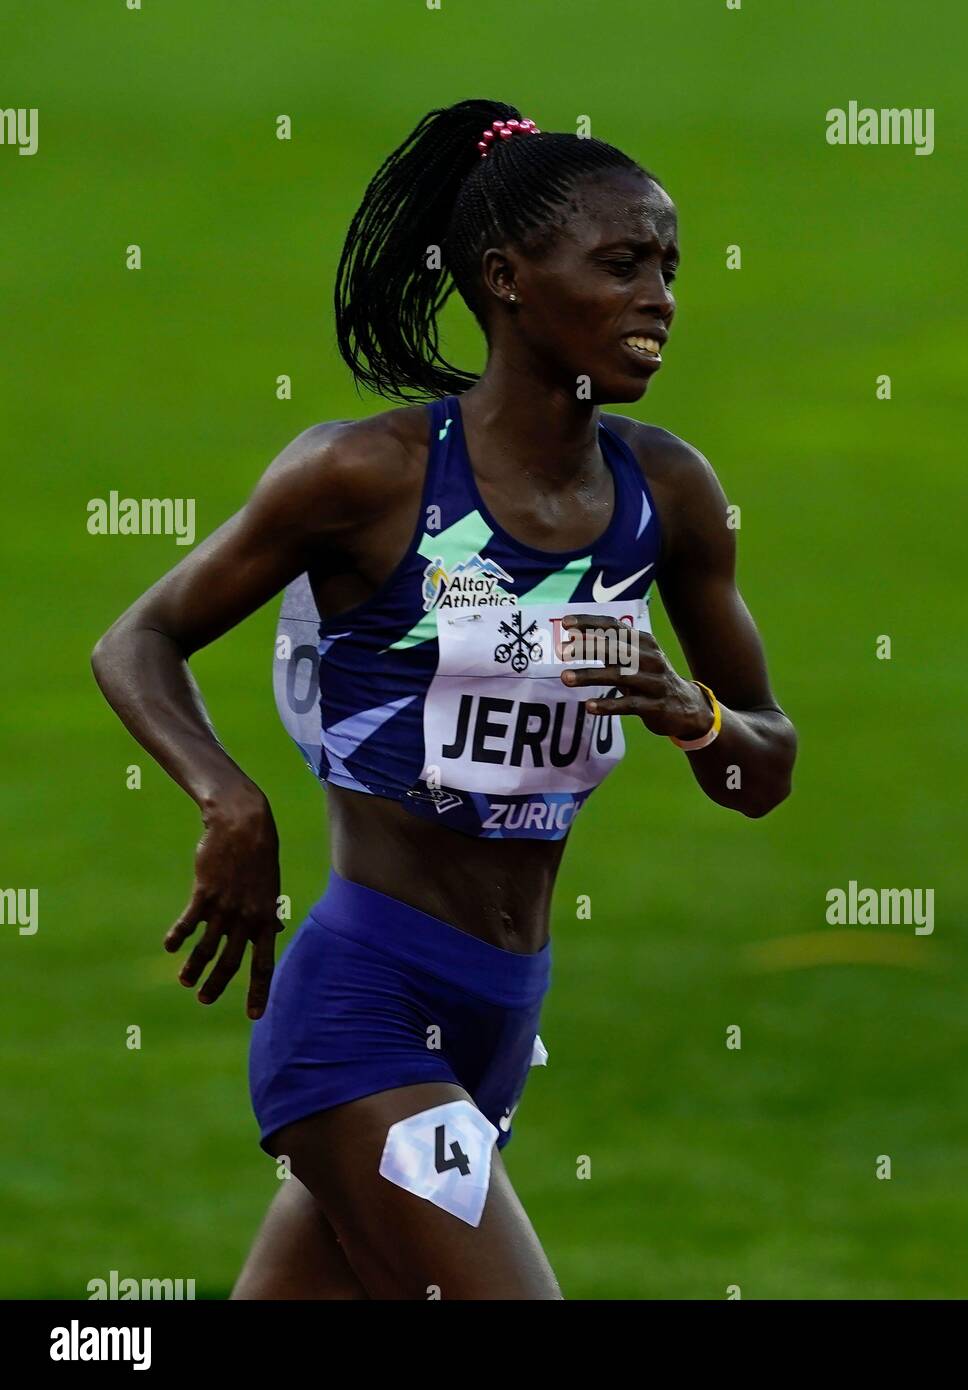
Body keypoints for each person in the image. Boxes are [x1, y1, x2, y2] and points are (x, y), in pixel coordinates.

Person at [91, 99, 797, 1300]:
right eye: (621, 265)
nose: (661, 296)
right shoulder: (365, 474)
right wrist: (230, 801)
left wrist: (694, 713)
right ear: (507, 279)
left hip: (503, 1013)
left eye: (669, 266)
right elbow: (140, 636)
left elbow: (763, 773)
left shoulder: (666, 493)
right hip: (367, 1004)